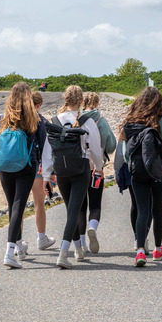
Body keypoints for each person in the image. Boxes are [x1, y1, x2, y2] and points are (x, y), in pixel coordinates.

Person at [0, 82, 49, 270]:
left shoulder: (2, 118)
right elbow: (44, 146)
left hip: (4, 167)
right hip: (26, 166)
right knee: (18, 207)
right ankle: (9, 252)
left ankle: (19, 246)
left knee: (12, 206)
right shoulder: (35, 119)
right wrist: (46, 172)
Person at [41, 85, 103, 268]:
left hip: (61, 171)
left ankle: (78, 249)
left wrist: (47, 175)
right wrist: (98, 167)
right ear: (81, 101)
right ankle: (62, 254)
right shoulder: (86, 121)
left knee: (71, 211)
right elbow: (97, 148)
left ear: (64, 100)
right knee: (74, 212)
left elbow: (47, 151)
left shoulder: (55, 120)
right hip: (80, 169)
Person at [121, 86, 162, 267]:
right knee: (157, 210)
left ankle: (139, 251)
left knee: (142, 209)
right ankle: (158, 249)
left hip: (137, 171)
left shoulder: (131, 121)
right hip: (160, 171)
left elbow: (125, 152)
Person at [77, 91, 117, 253]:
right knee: (95, 204)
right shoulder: (101, 121)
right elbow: (112, 145)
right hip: (97, 168)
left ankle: (81, 243)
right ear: (97, 104)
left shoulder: (77, 119)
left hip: (79, 167)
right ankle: (92, 226)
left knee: (80, 206)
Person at [29, 91, 56, 250]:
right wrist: (50, 171)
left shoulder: (18, 119)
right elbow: (47, 148)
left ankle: (16, 244)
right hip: (38, 166)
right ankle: (41, 238)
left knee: (17, 205)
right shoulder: (41, 121)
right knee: (39, 203)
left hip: (20, 165)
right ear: (39, 105)